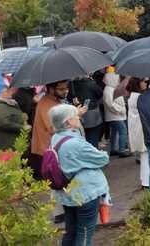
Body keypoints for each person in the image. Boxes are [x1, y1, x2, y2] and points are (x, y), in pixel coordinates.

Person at [49, 104, 109, 246]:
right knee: (85, 234)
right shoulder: (75, 143)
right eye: (76, 116)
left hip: (67, 192)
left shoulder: (56, 138)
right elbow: (102, 159)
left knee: (71, 230)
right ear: (68, 122)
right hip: (84, 193)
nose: (79, 118)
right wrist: (103, 153)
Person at [31, 80, 72, 179]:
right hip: (46, 151)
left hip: (51, 149)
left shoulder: (54, 101)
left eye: (66, 88)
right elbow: (52, 128)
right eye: (61, 89)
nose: (65, 91)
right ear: (51, 89)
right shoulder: (46, 103)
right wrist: (73, 117)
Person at [126, 77, 150, 189]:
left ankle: (144, 180)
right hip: (142, 130)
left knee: (144, 155)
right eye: (144, 81)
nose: (146, 83)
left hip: (136, 130)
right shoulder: (139, 97)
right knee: (146, 155)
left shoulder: (132, 96)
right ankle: (146, 182)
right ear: (138, 83)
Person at [69, 75, 104, 148]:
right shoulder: (90, 83)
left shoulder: (71, 85)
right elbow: (100, 93)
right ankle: (93, 154)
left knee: (82, 137)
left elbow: (70, 98)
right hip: (92, 113)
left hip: (77, 113)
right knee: (93, 136)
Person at [0, 77, 24, 150]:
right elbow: (4, 123)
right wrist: (23, 128)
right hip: (7, 144)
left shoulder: (12, 103)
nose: (10, 92)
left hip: (17, 142)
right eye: (7, 91)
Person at [103, 70, 130, 157]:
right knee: (123, 131)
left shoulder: (112, 88)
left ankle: (113, 149)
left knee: (114, 132)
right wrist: (119, 110)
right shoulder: (108, 89)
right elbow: (109, 103)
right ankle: (122, 150)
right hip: (115, 115)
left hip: (116, 115)